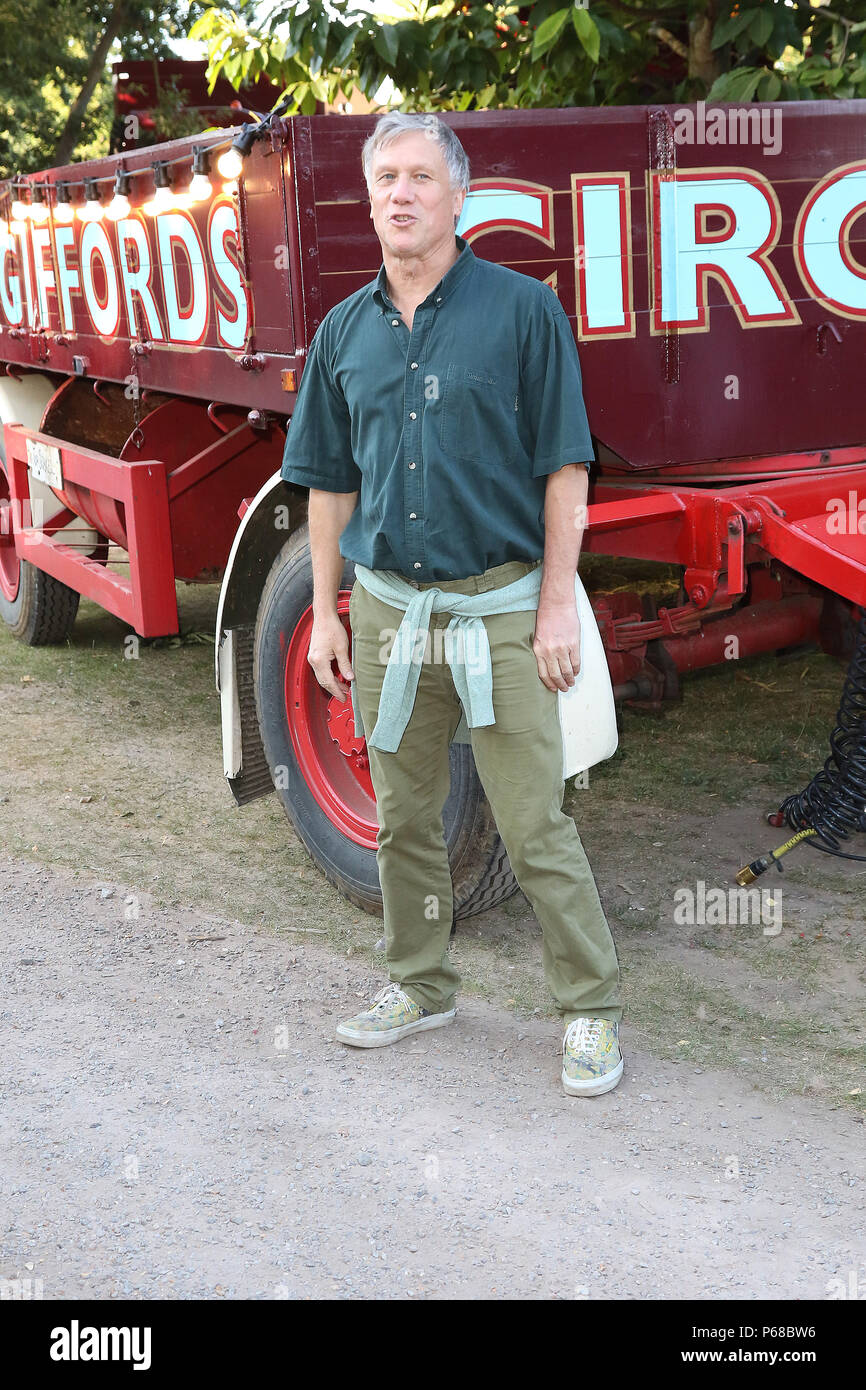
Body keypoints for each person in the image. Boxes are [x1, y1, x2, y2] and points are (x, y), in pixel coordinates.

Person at [280, 111, 623, 1097]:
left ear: (457, 194)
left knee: (533, 824)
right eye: (383, 176)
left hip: (501, 612)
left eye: (419, 177)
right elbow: (326, 482)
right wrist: (330, 610)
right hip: (387, 613)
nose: (399, 193)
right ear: (369, 196)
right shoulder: (344, 330)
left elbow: (566, 468)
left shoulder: (522, 312)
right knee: (403, 821)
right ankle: (419, 983)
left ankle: (589, 1009)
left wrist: (556, 606)